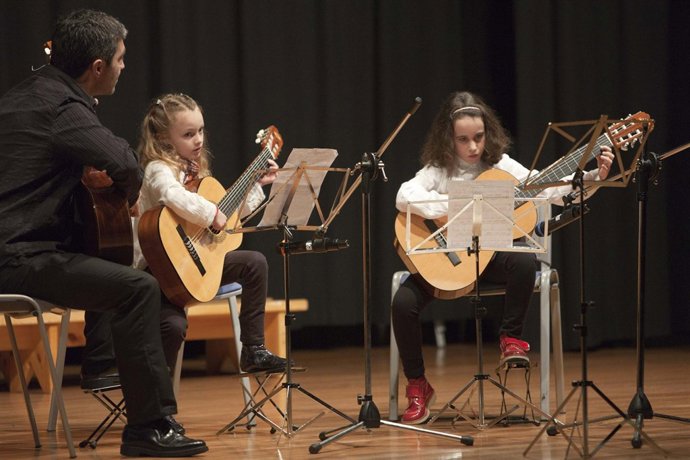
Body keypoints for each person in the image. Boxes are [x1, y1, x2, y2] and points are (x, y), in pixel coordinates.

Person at [0, 10, 207, 456]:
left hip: (17, 251)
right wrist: (123, 191)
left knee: (113, 265)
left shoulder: (20, 97)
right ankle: (148, 428)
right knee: (137, 288)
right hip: (20, 258)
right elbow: (126, 161)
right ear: (97, 67)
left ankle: (100, 363)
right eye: (119, 58)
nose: (123, 66)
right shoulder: (64, 108)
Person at [391, 90, 614, 424]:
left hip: (491, 261)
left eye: (478, 138)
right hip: (450, 260)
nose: (472, 147)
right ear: (447, 139)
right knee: (401, 302)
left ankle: (511, 339)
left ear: (488, 133)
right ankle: (418, 385)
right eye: (462, 139)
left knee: (524, 261)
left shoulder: (503, 166)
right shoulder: (438, 169)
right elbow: (404, 197)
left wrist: (594, 176)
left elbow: (550, 189)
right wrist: (459, 203)